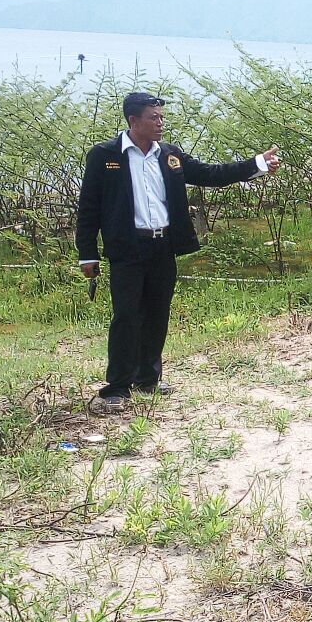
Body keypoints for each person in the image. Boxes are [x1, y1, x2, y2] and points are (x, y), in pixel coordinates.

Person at [76, 92, 282, 410]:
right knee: (126, 316)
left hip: (163, 246)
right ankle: (117, 386)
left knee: (157, 313)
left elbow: (211, 175)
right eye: (153, 117)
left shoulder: (169, 155)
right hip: (127, 250)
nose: (160, 123)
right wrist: (87, 253)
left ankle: (148, 379)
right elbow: (88, 207)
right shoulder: (104, 155)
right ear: (133, 121)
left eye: (161, 117)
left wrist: (257, 164)